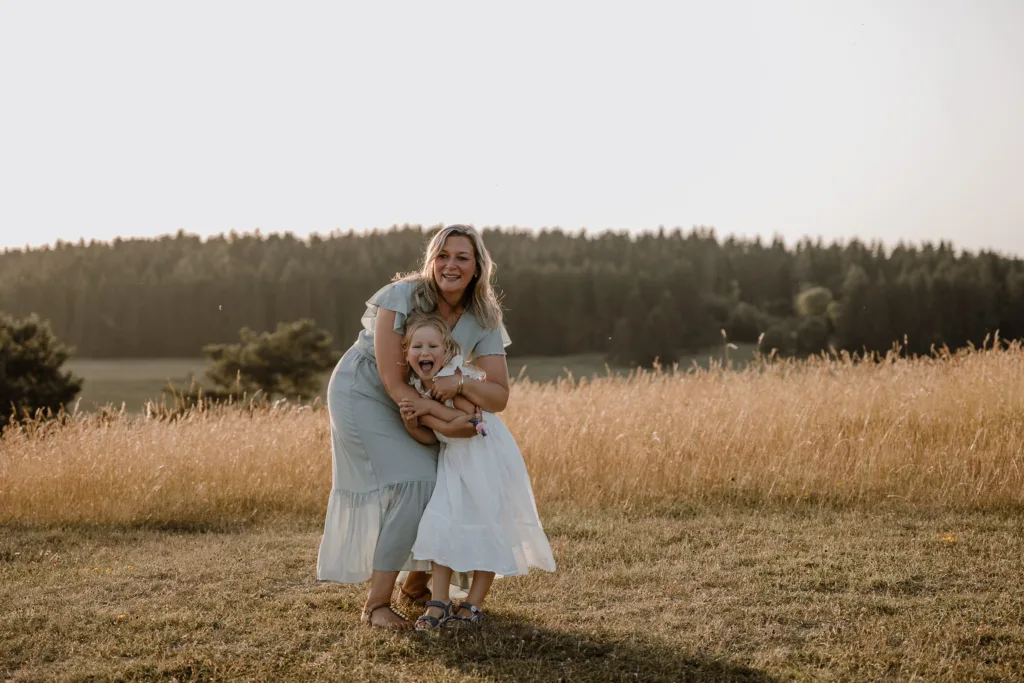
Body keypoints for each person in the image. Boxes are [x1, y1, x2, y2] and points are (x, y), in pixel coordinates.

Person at [316, 225, 511, 631]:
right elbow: (393, 380)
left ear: (477, 267)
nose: (450, 265)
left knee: (444, 479)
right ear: (431, 260)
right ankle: (376, 606)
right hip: (366, 391)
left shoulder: (484, 316)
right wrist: (444, 417)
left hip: (423, 398)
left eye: (462, 257)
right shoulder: (403, 294)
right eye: (443, 255)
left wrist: (458, 386)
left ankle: (416, 584)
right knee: (417, 479)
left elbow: (498, 395)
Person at [397, 314, 555, 630]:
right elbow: (434, 433)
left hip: (485, 459)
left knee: (488, 523)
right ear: (406, 352)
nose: (424, 351)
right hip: (455, 462)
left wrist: (428, 410)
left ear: (446, 350)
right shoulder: (417, 386)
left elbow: (471, 424)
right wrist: (413, 422)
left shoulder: (452, 377)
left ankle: (473, 605)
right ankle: (438, 602)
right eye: (417, 346)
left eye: (432, 345)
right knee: (443, 523)